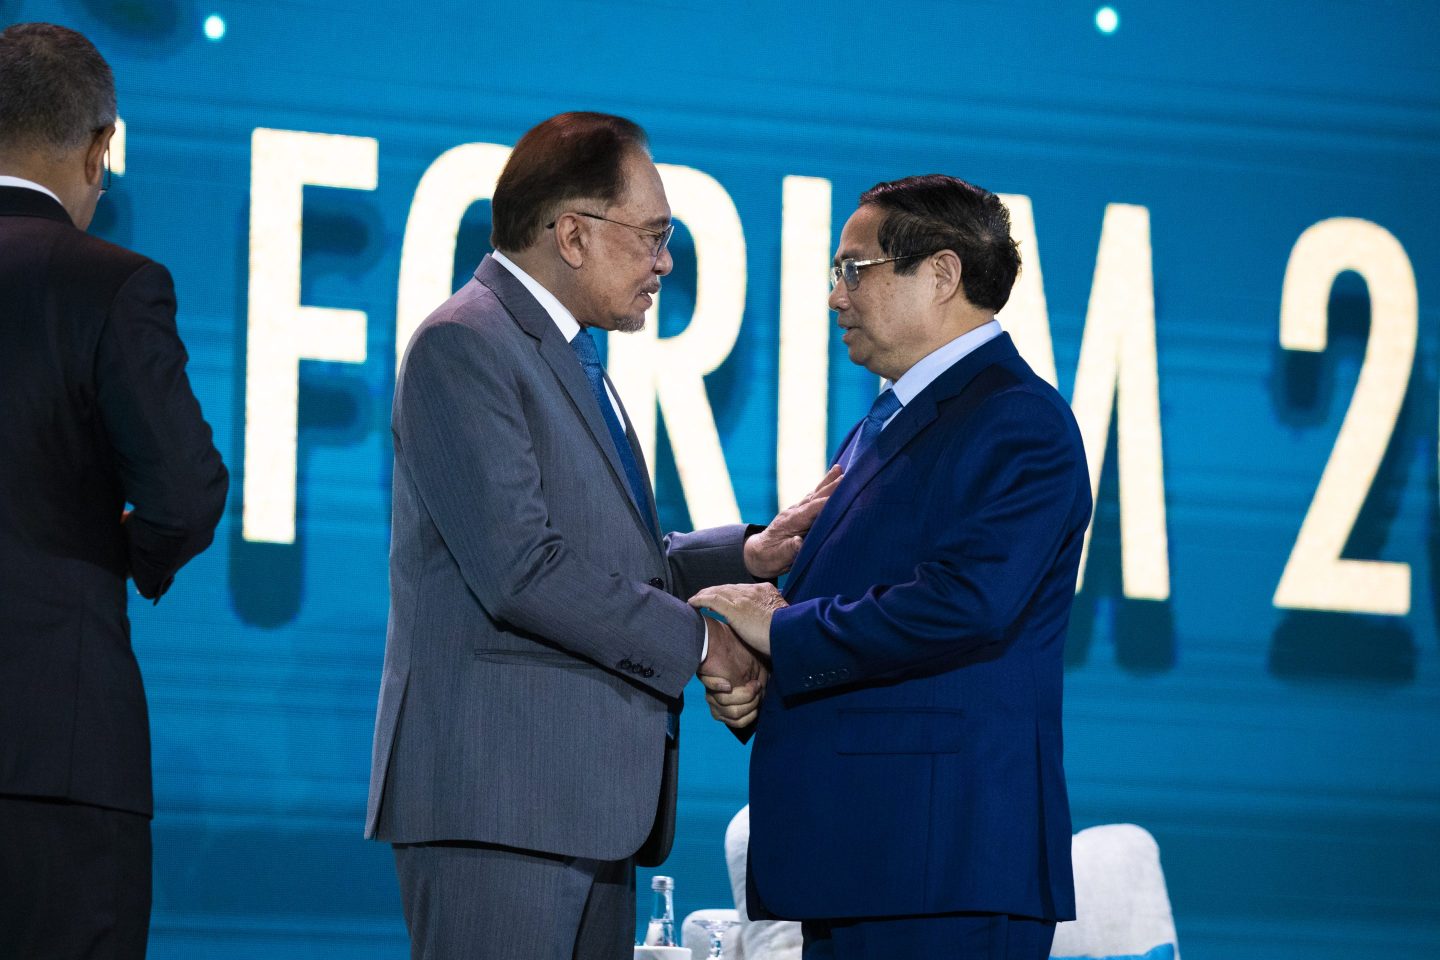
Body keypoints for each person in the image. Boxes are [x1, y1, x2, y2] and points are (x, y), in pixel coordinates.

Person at [366, 111, 838, 960]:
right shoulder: (464, 344)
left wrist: (747, 554)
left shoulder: (569, 354)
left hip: (584, 805)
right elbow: (523, 570)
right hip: (501, 805)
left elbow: (605, 558)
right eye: (654, 234)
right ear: (573, 235)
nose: (664, 261)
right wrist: (704, 642)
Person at [692, 174, 1092, 960]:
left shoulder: (1019, 420)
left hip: (943, 868)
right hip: (874, 861)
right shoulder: (895, 417)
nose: (836, 296)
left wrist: (781, 631)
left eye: (854, 269)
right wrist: (767, 677)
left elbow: (965, 601)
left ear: (941, 274)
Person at [0, 22, 229, 960]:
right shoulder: (113, 284)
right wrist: (115, 554)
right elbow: (185, 489)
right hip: (55, 750)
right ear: (100, 151)